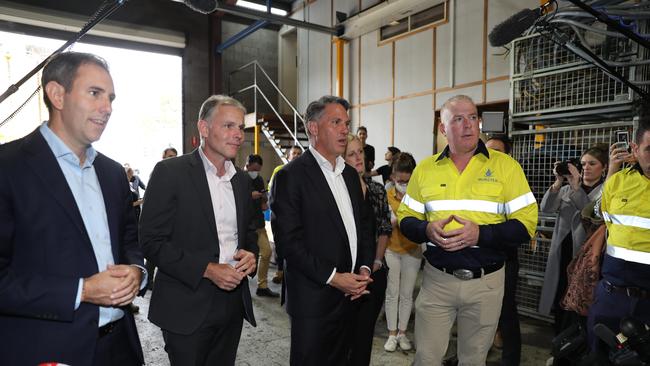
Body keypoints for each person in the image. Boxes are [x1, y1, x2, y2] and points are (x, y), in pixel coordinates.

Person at [0, 52, 145, 365]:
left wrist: (136, 270)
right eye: (95, 93)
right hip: (47, 350)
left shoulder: (111, 172)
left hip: (120, 347)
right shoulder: (7, 168)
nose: (107, 108)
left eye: (111, 98)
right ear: (57, 95)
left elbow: (129, 241)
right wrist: (82, 291)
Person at [397, 95, 538, 365]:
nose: (468, 125)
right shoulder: (425, 169)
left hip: (486, 284)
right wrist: (426, 229)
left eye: (473, 117)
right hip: (437, 281)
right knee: (426, 358)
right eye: (458, 119)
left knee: (473, 360)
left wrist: (481, 235)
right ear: (442, 128)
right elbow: (406, 218)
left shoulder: (506, 167)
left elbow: (526, 224)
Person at [139, 95, 258, 366]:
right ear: (204, 129)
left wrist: (251, 255)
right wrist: (207, 269)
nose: (238, 134)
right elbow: (151, 241)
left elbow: (248, 232)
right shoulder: (171, 173)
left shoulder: (240, 180)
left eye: (241, 128)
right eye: (228, 126)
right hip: (186, 304)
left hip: (232, 304)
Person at [270, 95, 373, 366]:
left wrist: (363, 269)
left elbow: (363, 226)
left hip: (353, 295)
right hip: (314, 300)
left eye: (346, 123)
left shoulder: (349, 175)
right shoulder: (290, 176)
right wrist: (334, 278)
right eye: (335, 122)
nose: (344, 130)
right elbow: (288, 243)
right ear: (313, 128)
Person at [537, 144, 608, 355]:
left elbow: (592, 214)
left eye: (592, 164)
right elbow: (546, 208)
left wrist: (577, 187)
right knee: (560, 298)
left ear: (604, 168)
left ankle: (577, 350)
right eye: (583, 163)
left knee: (579, 304)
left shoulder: (605, 191)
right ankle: (559, 346)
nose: (586, 168)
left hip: (586, 256)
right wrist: (558, 183)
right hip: (562, 252)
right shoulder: (567, 188)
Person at [587, 116, 650, 354]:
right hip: (611, 297)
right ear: (634, 148)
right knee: (600, 356)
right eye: (649, 150)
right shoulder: (617, 183)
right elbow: (595, 218)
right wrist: (611, 170)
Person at [344, 134, 392, 365]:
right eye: (351, 154)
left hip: (374, 272)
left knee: (364, 338)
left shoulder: (376, 190)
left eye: (360, 152)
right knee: (343, 340)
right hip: (345, 275)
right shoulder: (338, 191)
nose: (358, 158)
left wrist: (376, 262)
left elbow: (385, 228)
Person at [485, 135, 522, 366]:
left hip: (504, 258)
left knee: (506, 311)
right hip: (476, 259)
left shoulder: (513, 182)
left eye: (498, 151)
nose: (491, 156)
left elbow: (519, 225)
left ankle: (511, 360)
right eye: (488, 150)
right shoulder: (474, 180)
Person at [383, 152, 422, 353]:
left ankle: (402, 332)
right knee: (392, 292)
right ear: (392, 177)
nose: (403, 185)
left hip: (412, 251)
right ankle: (391, 334)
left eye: (407, 181)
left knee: (407, 294)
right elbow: (387, 223)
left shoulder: (418, 196)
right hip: (391, 249)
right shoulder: (386, 195)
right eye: (400, 181)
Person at [144, 148, 178, 291]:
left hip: (174, 219)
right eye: (170, 156)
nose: (172, 158)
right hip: (159, 220)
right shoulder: (158, 171)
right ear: (163, 157)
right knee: (154, 254)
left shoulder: (178, 172)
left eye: (174, 156)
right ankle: (147, 281)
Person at [268, 145, 303, 285]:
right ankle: (280, 271)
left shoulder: (304, 172)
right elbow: (272, 191)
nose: (296, 155)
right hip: (280, 215)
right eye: (294, 153)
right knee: (281, 243)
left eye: (299, 153)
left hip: (298, 216)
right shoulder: (279, 170)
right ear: (288, 156)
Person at [245, 154, 278, 298]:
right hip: (243, 226)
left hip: (258, 224)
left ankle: (262, 285)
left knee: (266, 252)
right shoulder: (238, 178)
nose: (255, 172)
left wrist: (263, 200)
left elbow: (263, 202)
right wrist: (248, 195)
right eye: (253, 169)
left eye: (258, 170)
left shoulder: (258, 179)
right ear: (247, 165)